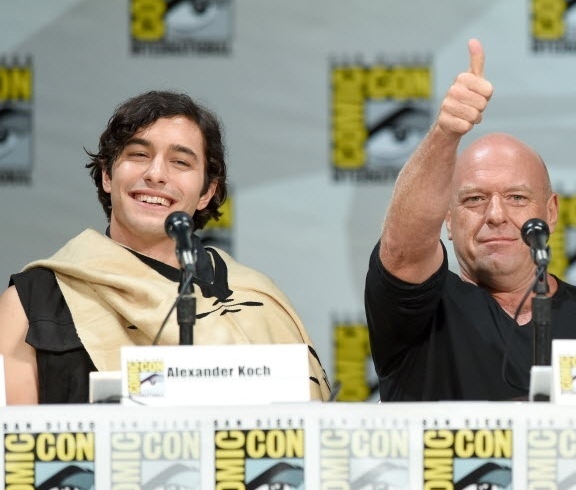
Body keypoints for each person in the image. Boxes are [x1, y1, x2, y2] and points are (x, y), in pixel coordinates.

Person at [364, 38, 576, 401]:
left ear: (550, 212)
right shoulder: (420, 315)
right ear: (447, 218)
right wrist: (447, 132)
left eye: (517, 198)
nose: (495, 215)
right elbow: (401, 252)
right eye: (474, 199)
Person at [0, 90, 331, 404]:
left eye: (181, 162)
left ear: (206, 192)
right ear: (106, 175)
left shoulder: (256, 300)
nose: (156, 174)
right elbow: (13, 452)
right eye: (138, 155)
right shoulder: (32, 303)